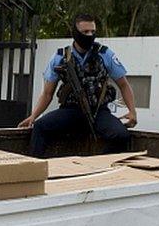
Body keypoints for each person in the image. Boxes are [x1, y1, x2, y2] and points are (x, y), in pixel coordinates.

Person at [18, 14, 137, 157]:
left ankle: (100, 166)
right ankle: (35, 168)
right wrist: (33, 116)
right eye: (85, 32)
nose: (90, 35)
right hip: (71, 110)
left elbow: (123, 84)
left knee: (121, 135)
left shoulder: (104, 54)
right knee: (40, 127)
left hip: (98, 111)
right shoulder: (60, 57)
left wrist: (132, 111)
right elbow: (47, 93)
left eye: (93, 32)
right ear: (75, 33)